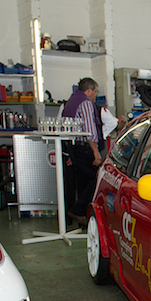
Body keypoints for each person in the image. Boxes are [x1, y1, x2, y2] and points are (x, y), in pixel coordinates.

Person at [61, 77, 102, 227]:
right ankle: (78, 210)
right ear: (89, 90)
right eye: (95, 91)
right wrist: (96, 152)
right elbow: (89, 131)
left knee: (82, 183)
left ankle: (82, 219)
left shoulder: (71, 101)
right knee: (97, 178)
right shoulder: (85, 103)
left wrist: (71, 153)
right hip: (84, 148)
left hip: (73, 147)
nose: (95, 95)